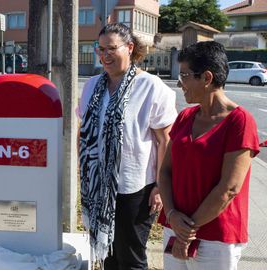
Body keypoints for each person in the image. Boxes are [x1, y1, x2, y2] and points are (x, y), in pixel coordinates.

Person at [78, 23, 177, 269]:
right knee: (108, 254)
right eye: (100, 49)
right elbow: (85, 132)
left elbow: (165, 140)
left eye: (111, 48)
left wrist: (159, 186)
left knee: (130, 256)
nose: (105, 55)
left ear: (130, 48)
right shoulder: (92, 86)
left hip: (135, 188)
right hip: (99, 186)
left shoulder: (151, 87)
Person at [158, 41, 260, 269]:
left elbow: (229, 188)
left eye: (184, 75)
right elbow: (165, 172)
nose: (179, 83)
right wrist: (172, 214)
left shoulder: (240, 121)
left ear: (206, 77)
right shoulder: (185, 117)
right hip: (175, 225)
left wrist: (187, 231)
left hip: (217, 237)